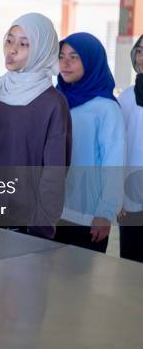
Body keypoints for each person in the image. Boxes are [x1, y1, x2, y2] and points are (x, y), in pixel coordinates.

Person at [0, 13, 71, 238]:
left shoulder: (53, 103)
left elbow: (54, 171)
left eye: (24, 44)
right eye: (9, 40)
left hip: (25, 219)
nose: (12, 49)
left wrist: (42, 225)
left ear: (41, 51)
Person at [54, 32, 124, 253]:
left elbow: (114, 163)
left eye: (74, 57)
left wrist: (106, 212)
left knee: (78, 283)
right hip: (52, 209)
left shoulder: (106, 108)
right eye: (61, 56)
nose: (65, 63)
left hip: (86, 214)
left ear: (92, 61)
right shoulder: (55, 99)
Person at [119, 35, 143, 262]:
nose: (142, 57)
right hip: (131, 195)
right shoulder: (126, 98)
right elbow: (119, 145)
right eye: (140, 51)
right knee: (131, 260)